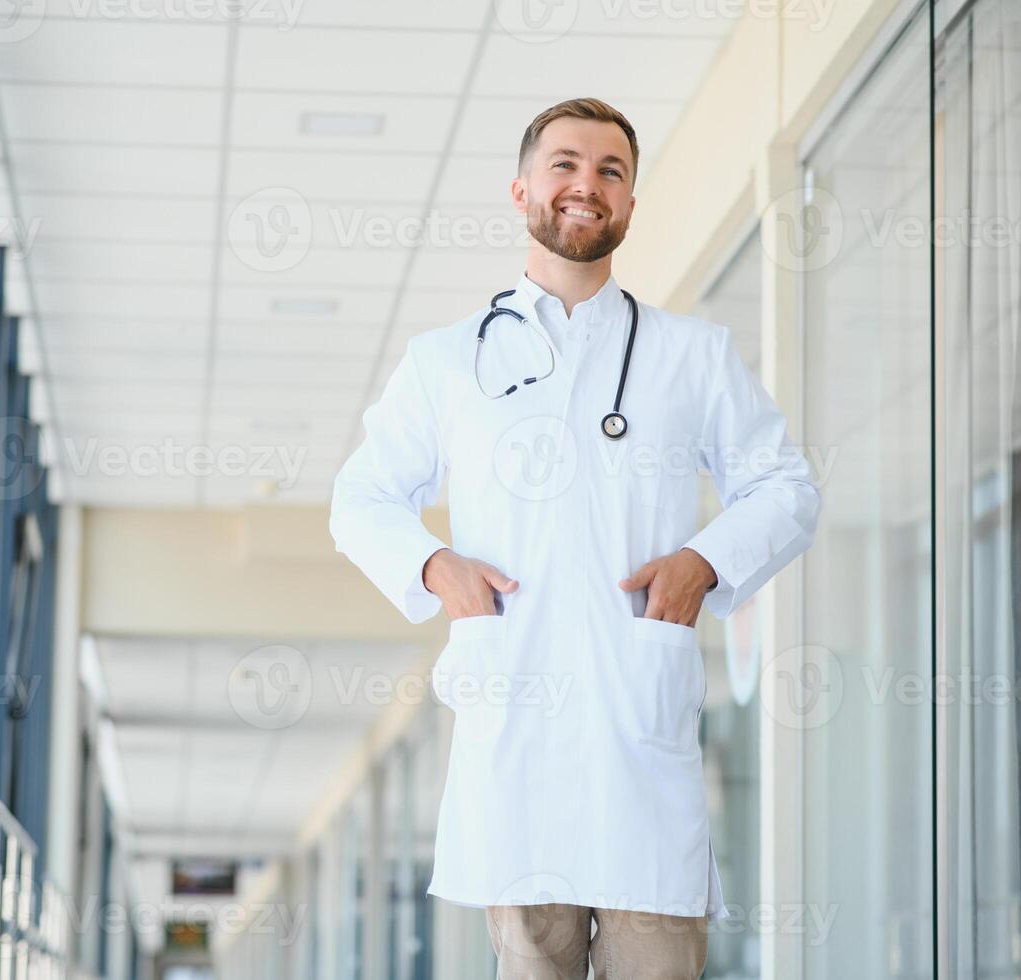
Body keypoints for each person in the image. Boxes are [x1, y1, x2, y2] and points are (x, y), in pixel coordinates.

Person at [329, 98, 821, 979]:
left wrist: (702, 564)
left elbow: (786, 486)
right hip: (512, 729)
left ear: (628, 205)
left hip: (639, 737)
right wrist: (437, 567)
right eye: (563, 164)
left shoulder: (691, 355)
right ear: (521, 188)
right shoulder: (447, 361)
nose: (584, 186)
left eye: (610, 171)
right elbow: (359, 497)